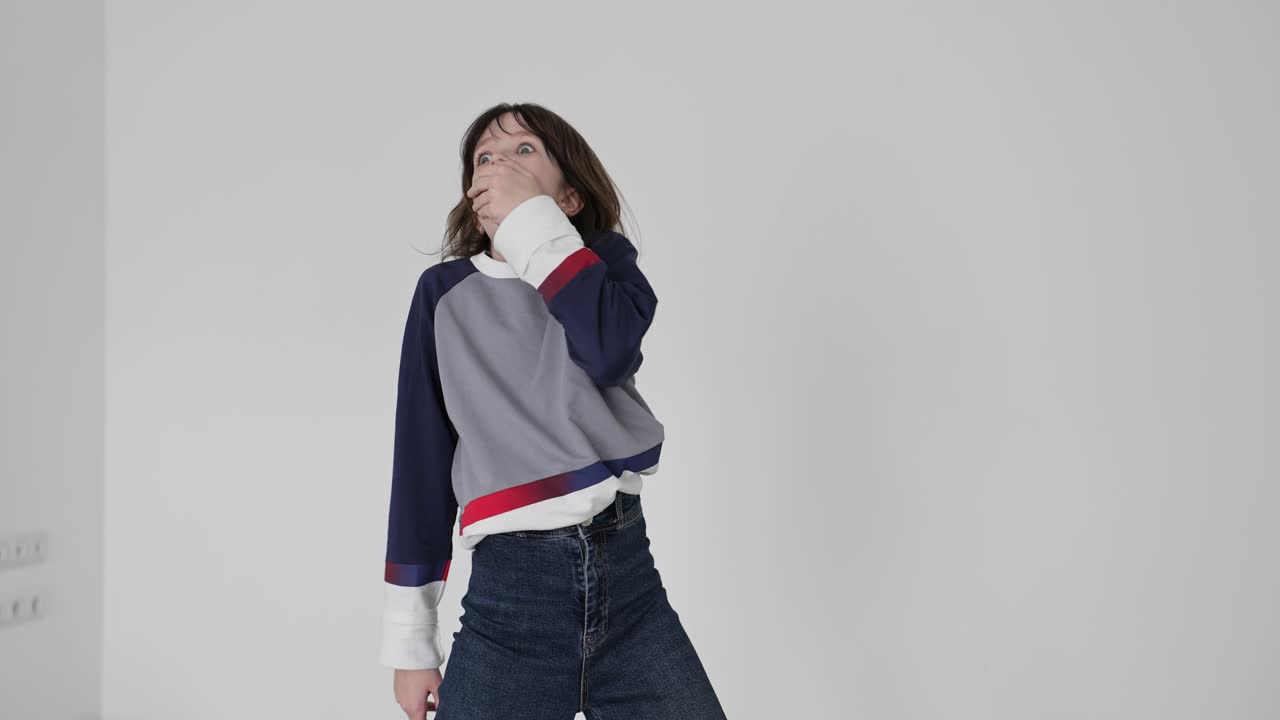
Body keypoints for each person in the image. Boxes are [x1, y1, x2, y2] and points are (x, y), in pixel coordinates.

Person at [379, 103, 727, 720]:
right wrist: (411, 643)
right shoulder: (444, 296)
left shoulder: (607, 268)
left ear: (567, 198)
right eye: (484, 159)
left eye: (523, 151)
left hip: (632, 590)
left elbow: (609, 349)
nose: (499, 165)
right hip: (508, 609)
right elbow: (420, 467)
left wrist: (531, 225)